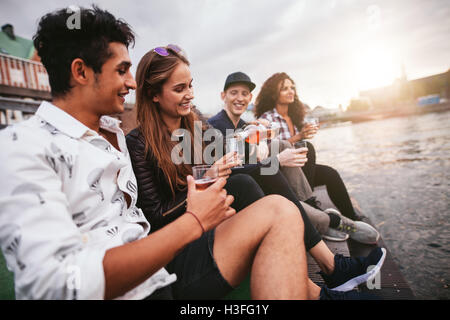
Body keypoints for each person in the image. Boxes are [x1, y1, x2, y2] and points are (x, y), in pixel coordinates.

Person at [0, 6, 378, 300]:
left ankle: (323, 282)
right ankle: (327, 273)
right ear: (81, 72)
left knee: (265, 193)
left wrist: (252, 157)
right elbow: (55, 284)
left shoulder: (114, 134)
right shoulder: (24, 146)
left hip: (164, 267)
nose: (130, 82)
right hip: (159, 274)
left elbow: (229, 154)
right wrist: (195, 219)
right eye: (121, 71)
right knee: (258, 190)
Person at [125, 46, 387, 299]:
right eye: (179, 89)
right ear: (153, 94)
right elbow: (155, 216)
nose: (190, 94)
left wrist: (249, 156)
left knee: (262, 172)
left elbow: (229, 165)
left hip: (215, 211)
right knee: (250, 182)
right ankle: (327, 265)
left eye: (191, 85)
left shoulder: (196, 124)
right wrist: (208, 178)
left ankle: (330, 266)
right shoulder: (138, 142)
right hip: (184, 235)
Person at [208, 71, 380, 244]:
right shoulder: (217, 126)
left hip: (261, 177)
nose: (240, 98)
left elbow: (252, 155)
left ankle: (312, 207)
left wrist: (259, 134)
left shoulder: (242, 124)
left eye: (244, 94)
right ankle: (334, 222)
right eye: (234, 93)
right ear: (223, 96)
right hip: (244, 188)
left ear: (250, 97)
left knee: (287, 147)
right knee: (284, 160)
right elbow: (235, 171)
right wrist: (277, 159)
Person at [254, 72, 373, 225]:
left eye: (292, 88)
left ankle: (353, 218)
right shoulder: (267, 118)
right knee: (306, 147)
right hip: (283, 171)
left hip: (301, 168)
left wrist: (305, 133)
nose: (290, 91)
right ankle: (308, 203)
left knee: (331, 174)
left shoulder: (295, 116)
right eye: (284, 88)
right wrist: (299, 137)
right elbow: (272, 148)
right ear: (273, 94)